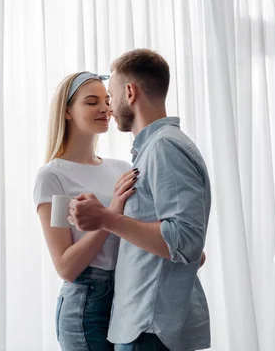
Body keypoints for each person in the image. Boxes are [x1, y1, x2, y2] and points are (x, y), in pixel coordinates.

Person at [69, 49, 211, 351]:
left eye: (111, 95)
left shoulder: (164, 148)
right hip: (144, 327)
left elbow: (184, 240)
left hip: (148, 329)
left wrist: (106, 218)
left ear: (129, 92)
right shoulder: (157, 149)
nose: (110, 106)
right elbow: (189, 248)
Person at [33, 71, 139, 350]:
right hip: (87, 304)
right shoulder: (53, 176)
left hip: (128, 295)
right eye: (92, 102)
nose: (105, 108)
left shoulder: (122, 168)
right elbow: (67, 267)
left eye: (106, 100)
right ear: (67, 111)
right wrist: (112, 213)